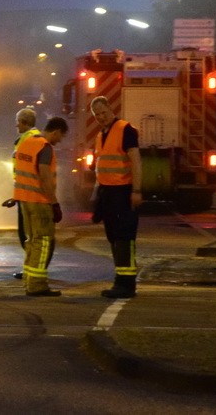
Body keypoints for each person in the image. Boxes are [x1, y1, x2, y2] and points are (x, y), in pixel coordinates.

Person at [89, 95, 143, 299]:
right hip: (108, 192)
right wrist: (97, 195)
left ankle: (127, 285)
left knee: (124, 237)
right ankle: (120, 281)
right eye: (97, 115)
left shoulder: (125, 130)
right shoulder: (101, 135)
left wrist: (136, 190)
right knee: (114, 238)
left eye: (103, 113)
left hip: (123, 192)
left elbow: (136, 162)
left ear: (110, 109)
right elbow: (101, 167)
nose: (101, 117)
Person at [11, 115, 68, 296]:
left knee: (32, 241)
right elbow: (44, 177)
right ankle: (38, 285)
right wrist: (54, 203)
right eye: (61, 136)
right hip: (39, 201)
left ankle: (29, 281)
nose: (60, 140)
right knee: (43, 242)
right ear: (56, 131)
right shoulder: (44, 147)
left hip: (24, 200)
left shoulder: (26, 143)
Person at [2, 107, 39, 279]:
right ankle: (31, 268)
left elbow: (27, 171)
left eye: (18, 122)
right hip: (25, 193)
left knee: (27, 234)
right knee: (27, 234)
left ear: (24, 123)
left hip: (28, 195)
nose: (16, 125)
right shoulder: (29, 138)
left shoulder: (28, 140)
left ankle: (33, 270)